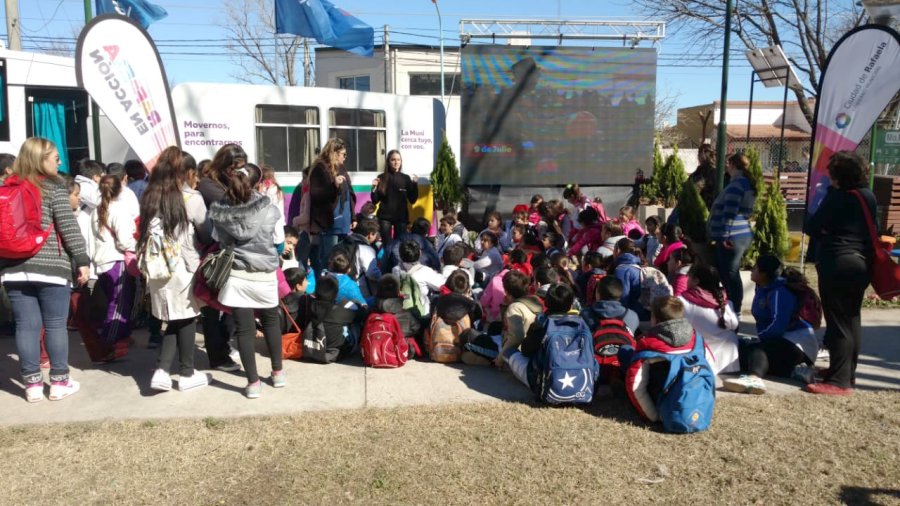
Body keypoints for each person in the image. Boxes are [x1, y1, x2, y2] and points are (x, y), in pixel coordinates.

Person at [1, 137, 89, 402]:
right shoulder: (54, 187)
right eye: (55, 157)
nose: (59, 161)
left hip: (14, 268)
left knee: (25, 326)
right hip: (51, 266)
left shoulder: (8, 187)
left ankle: (32, 386)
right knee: (54, 326)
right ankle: (60, 382)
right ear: (41, 159)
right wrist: (81, 259)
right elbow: (68, 226)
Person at [208, 163, 285, 399]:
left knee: (244, 329)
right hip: (264, 273)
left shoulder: (220, 210)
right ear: (257, 183)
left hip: (237, 273)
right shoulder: (270, 209)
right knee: (271, 321)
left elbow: (215, 238)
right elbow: (279, 239)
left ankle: (252, 383)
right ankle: (278, 373)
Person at [139, 147, 211, 392]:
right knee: (187, 318)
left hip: (158, 268)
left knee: (174, 319)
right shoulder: (192, 198)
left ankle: (161, 370)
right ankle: (187, 373)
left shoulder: (151, 195)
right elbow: (206, 231)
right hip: (182, 266)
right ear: (187, 172)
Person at [804, 151, 876, 395]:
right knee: (851, 319)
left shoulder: (839, 198)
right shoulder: (867, 196)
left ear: (838, 175)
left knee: (839, 323)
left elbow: (812, 226)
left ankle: (838, 381)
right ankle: (846, 371)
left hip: (838, 263)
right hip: (859, 264)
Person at [723, 255, 817, 394]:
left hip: (798, 342)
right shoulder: (762, 288)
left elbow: (778, 324)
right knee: (741, 351)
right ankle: (796, 371)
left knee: (757, 351)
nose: (751, 270)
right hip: (780, 340)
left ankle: (754, 379)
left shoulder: (780, 291)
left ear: (764, 274)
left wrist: (761, 339)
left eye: (755, 268)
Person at [196, 143, 246, 372]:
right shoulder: (208, 185)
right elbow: (234, 208)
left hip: (230, 251)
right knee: (212, 308)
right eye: (235, 169)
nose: (238, 173)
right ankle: (217, 355)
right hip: (213, 254)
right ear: (225, 165)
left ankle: (224, 346)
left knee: (229, 304)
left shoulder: (225, 182)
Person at [87, 174, 138, 364]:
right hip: (117, 260)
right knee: (119, 304)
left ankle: (117, 338)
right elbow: (126, 241)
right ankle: (110, 343)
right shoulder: (119, 210)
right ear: (120, 189)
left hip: (102, 261)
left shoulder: (96, 211)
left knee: (111, 301)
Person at [708, 152, 756, 314]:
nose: (726, 168)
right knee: (728, 273)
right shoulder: (744, 184)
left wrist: (725, 235)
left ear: (733, 165)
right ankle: (732, 307)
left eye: (728, 164)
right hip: (738, 233)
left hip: (732, 236)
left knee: (730, 274)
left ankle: (735, 309)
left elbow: (730, 212)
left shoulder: (737, 186)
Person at [678, 264, 740, 374]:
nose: (686, 280)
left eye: (689, 276)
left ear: (696, 281)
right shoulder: (726, 302)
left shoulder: (683, 301)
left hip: (700, 362)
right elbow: (734, 326)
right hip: (730, 362)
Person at [309, 138, 355, 274]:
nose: (345, 158)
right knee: (329, 257)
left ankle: (336, 286)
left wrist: (353, 216)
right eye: (343, 154)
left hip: (343, 221)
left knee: (341, 257)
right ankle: (325, 286)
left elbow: (349, 193)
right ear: (333, 153)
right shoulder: (320, 169)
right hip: (329, 223)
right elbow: (317, 195)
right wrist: (333, 185)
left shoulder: (341, 168)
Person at [497, 270, 543, 367]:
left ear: (507, 292)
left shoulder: (515, 308)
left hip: (519, 354)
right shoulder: (536, 301)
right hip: (535, 351)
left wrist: (499, 359)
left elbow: (516, 336)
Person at [371, 149, 418, 242]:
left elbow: (412, 199)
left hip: (401, 218)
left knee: (399, 244)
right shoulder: (381, 177)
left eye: (398, 160)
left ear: (401, 161)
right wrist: (373, 188)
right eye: (393, 160)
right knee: (387, 245)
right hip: (385, 218)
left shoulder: (405, 178)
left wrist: (415, 185)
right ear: (388, 161)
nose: (396, 162)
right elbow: (375, 200)